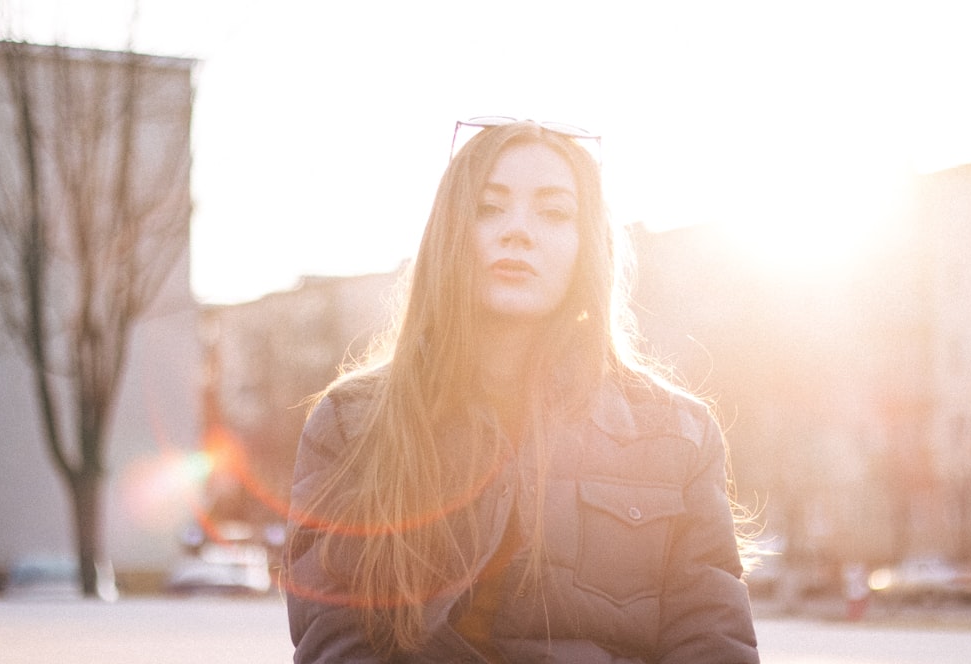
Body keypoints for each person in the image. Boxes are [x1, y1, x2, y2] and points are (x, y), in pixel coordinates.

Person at [284, 117, 760, 663]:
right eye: (489, 208)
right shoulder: (353, 423)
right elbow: (337, 642)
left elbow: (712, 644)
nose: (518, 231)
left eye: (554, 212)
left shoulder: (677, 434)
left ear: (589, 246)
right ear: (449, 233)